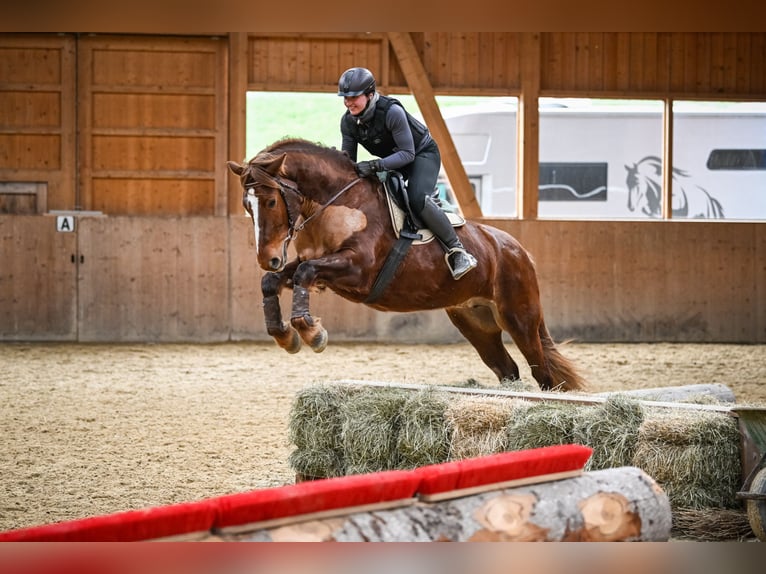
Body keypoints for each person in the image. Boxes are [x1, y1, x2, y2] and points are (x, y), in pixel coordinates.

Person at [337, 67, 477, 280]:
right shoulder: (348, 122)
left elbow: (407, 154)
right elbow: (348, 162)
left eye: (353, 97)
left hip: (420, 155)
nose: (348, 102)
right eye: (345, 98)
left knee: (417, 198)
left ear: (370, 94)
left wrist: (375, 166)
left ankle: (457, 251)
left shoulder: (392, 112)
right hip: (393, 160)